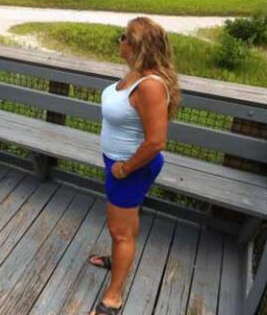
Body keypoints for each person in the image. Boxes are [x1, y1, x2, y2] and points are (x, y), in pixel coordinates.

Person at [88, 17, 181, 315]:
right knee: (125, 227)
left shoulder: (150, 86)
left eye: (124, 37)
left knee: (120, 232)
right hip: (118, 163)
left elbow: (156, 142)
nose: (120, 41)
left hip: (130, 168)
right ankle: (119, 259)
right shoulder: (135, 75)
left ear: (138, 46)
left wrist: (125, 169)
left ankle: (112, 299)